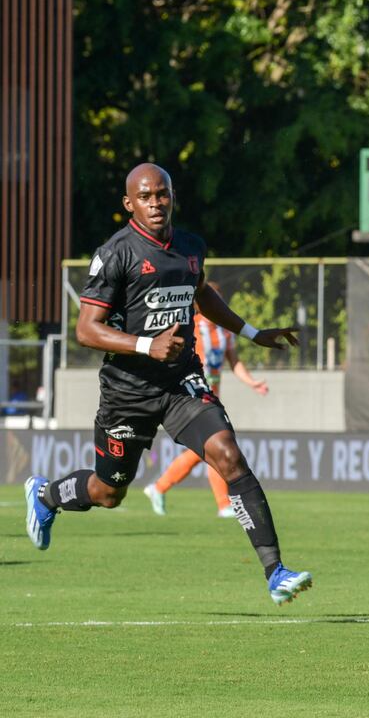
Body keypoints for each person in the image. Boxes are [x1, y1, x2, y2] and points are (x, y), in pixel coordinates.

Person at [24, 163, 312, 605]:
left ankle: (275, 571)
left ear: (172, 196)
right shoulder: (115, 253)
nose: (155, 203)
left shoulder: (191, 247)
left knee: (228, 455)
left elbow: (202, 294)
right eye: (145, 196)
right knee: (108, 491)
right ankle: (46, 494)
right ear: (129, 204)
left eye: (162, 194)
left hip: (182, 382)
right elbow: (86, 329)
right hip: (127, 392)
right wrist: (145, 344)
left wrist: (254, 333)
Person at [142, 282, 270, 518]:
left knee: (212, 449)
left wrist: (252, 382)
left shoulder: (225, 331)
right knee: (215, 446)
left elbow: (235, 361)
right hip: (192, 394)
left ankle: (160, 488)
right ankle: (220, 504)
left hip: (212, 394)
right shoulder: (191, 325)